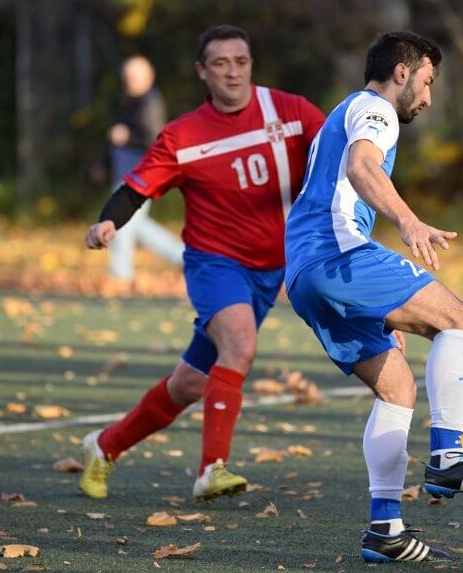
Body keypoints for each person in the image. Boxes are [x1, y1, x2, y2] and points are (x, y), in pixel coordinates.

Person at [284, 31, 463, 564]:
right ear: (402, 72)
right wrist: (410, 222)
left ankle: (385, 529)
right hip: (336, 255)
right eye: (428, 81)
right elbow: (362, 168)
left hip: (303, 275)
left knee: (397, 389)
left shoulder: (345, 109)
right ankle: (448, 455)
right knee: (461, 321)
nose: (429, 97)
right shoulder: (376, 109)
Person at [79, 25, 326, 500]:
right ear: (202, 72)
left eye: (241, 61)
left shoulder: (290, 112)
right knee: (240, 347)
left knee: (189, 383)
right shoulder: (183, 136)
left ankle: (104, 446)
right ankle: (211, 468)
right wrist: (108, 222)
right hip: (214, 265)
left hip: (270, 269)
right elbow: (135, 189)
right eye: (220, 63)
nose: (233, 71)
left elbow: (336, 152)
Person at [105, 55, 185, 280]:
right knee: (134, 224)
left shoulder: (150, 102)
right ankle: (180, 257)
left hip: (139, 175)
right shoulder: (131, 102)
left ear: (148, 77)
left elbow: (152, 138)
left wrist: (126, 137)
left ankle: (120, 274)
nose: (129, 81)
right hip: (129, 172)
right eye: (127, 77)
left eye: (134, 77)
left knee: (120, 221)